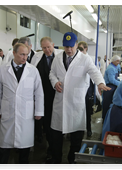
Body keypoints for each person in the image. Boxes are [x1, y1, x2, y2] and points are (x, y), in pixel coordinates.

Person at [46, 32, 110, 169]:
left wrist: (99, 83)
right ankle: (56, 158)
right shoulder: (57, 58)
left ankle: (72, 159)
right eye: (66, 46)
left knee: (76, 136)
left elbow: (95, 72)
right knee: (56, 135)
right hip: (60, 101)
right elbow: (51, 73)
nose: (68, 49)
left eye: (71, 46)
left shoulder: (85, 59)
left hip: (76, 102)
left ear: (76, 45)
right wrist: (55, 82)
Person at [0, 43, 44, 169]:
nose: (24, 57)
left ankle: (23, 166)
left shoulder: (32, 70)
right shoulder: (3, 70)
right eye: (21, 54)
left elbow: (39, 92)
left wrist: (39, 111)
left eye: (26, 55)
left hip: (26, 112)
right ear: (14, 53)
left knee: (24, 145)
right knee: (5, 145)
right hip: (8, 110)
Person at [30, 36, 63, 158]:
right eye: (44, 48)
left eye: (49, 47)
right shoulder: (37, 57)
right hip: (44, 97)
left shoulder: (60, 56)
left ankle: (57, 147)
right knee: (48, 123)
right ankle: (51, 148)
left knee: (58, 123)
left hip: (58, 94)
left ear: (53, 45)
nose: (47, 50)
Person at [78, 41, 101, 137]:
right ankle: (76, 131)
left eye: (81, 49)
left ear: (86, 49)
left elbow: (96, 74)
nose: (79, 51)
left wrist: (98, 86)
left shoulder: (91, 59)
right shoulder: (76, 59)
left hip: (88, 89)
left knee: (87, 111)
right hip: (78, 88)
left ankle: (88, 129)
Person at [102, 55, 121, 121]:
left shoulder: (114, 67)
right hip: (109, 87)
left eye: (119, 61)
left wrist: (119, 81)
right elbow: (111, 80)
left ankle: (107, 119)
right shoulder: (111, 68)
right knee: (107, 104)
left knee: (109, 104)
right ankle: (105, 119)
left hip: (112, 86)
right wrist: (120, 84)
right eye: (117, 61)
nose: (118, 62)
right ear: (113, 61)